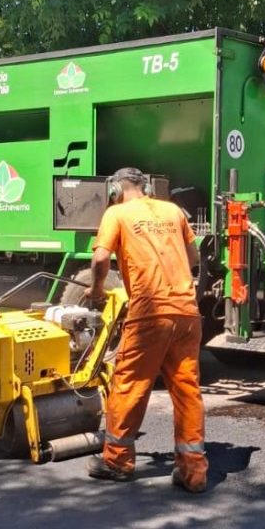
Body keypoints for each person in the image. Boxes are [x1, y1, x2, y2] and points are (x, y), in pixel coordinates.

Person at [84, 167, 208, 492]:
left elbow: (99, 261)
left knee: (129, 385)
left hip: (150, 314)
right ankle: (194, 472)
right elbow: (193, 257)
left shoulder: (117, 213)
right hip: (187, 313)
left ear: (114, 189)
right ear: (147, 187)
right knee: (186, 390)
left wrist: (96, 291)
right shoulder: (173, 211)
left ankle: (117, 461)